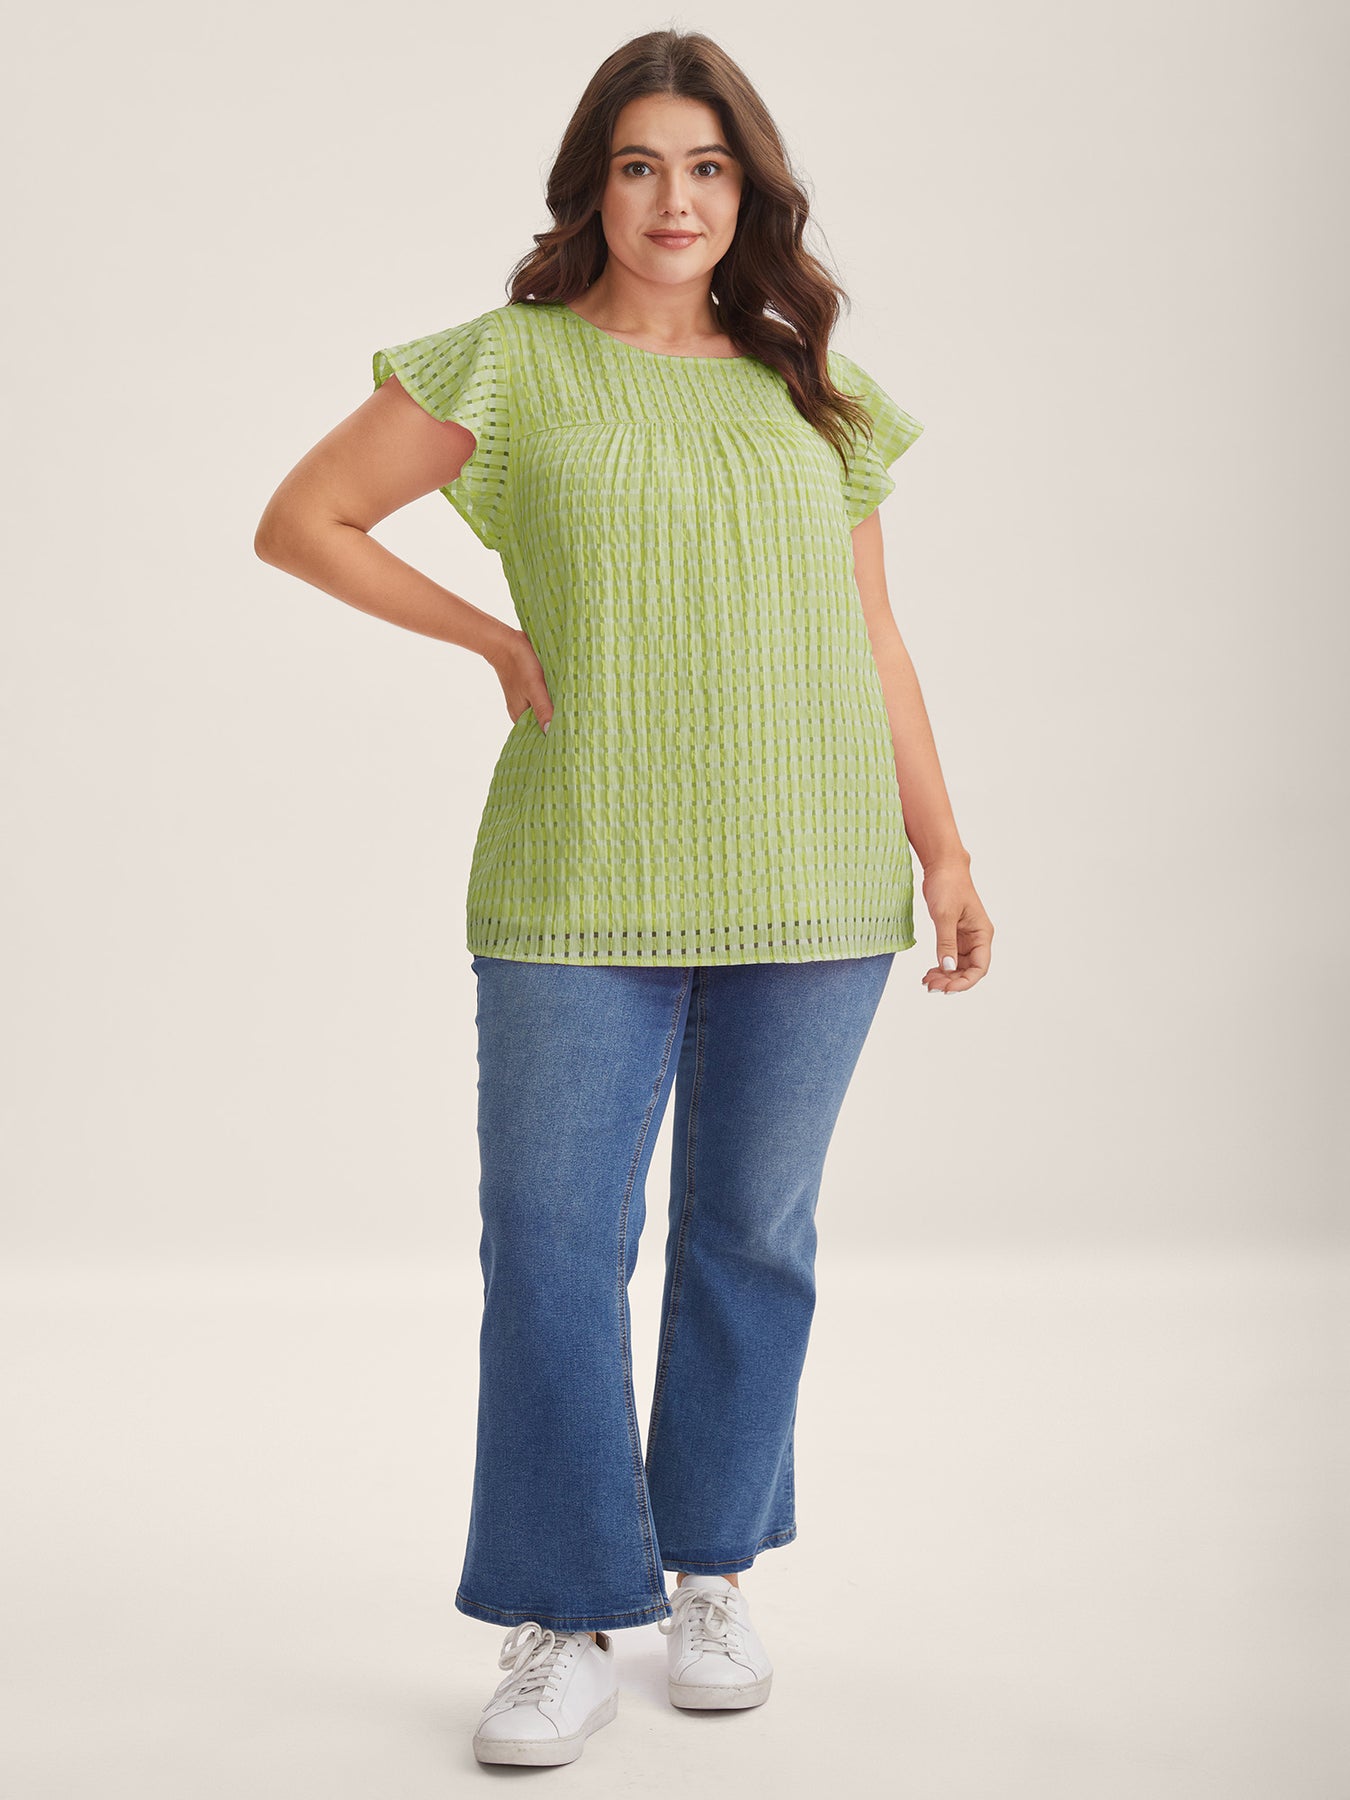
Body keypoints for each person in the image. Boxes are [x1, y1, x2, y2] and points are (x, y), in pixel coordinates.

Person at [254, 26, 993, 1771]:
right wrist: (492, 639)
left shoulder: (807, 385)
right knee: (553, 1241)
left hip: (815, 879)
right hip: (580, 874)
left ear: (750, 192)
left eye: (709, 168)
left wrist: (943, 848)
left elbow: (874, 638)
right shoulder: (506, 365)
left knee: (752, 1239)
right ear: (592, 186)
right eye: (643, 165)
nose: (676, 200)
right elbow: (306, 519)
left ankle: (708, 1572)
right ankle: (565, 1610)